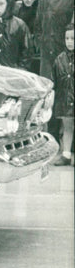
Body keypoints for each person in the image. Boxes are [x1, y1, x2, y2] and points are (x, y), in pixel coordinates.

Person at [35, 0, 74, 80]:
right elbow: (37, 26)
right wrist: (41, 43)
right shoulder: (44, 0)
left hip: (66, 53)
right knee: (46, 88)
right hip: (46, 54)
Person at [50, 23, 74, 166]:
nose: (70, 41)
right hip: (65, 99)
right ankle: (66, 154)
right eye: (67, 38)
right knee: (67, 126)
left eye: (73, 38)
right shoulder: (59, 59)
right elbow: (54, 80)